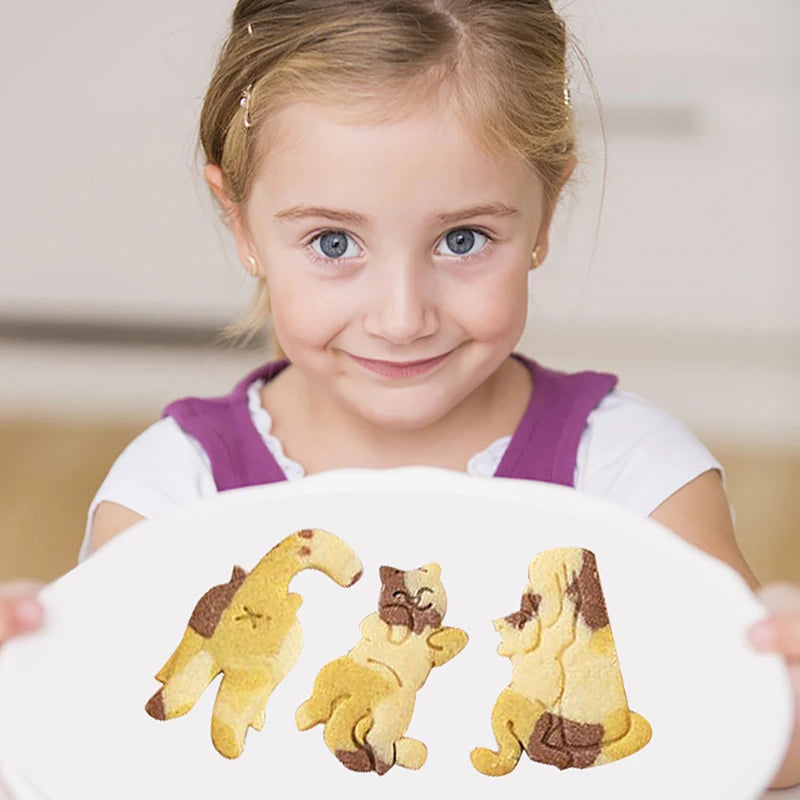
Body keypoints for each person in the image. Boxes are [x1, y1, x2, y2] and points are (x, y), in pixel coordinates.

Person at [1, 0, 798, 788]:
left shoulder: (635, 476)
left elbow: (743, 741)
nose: (401, 317)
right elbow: (107, 751)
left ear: (546, 209)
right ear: (240, 223)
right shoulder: (172, 492)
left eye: (463, 240)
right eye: (334, 243)